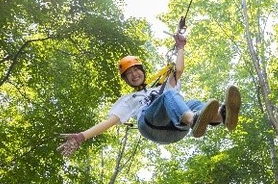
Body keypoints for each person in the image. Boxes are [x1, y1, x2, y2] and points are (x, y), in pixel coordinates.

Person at [58, 32, 241, 157]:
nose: (134, 75)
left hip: (177, 129)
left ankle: (220, 116)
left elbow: (178, 69)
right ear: (126, 80)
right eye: (129, 74)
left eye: (136, 70)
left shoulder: (160, 86)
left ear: (143, 71)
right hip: (151, 126)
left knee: (191, 101)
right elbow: (110, 122)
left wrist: (180, 47)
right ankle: (194, 120)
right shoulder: (129, 100)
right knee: (169, 96)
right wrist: (81, 136)